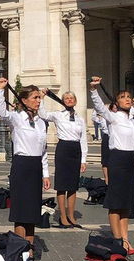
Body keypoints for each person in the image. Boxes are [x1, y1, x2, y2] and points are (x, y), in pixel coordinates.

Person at [0, 78, 51, 259]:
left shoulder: (41, 122)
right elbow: (1, 112)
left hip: (35, 167)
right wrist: (0, 90)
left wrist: (45, 173)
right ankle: (20, 249)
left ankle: (30, 249)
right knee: (21, 211)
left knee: (32, 212)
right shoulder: (17, 118)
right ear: (24, 100)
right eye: (35, 97)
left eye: (39, 98)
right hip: (21, 166)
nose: (39, 100)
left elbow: (43, 150)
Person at [89, 76, 134, 255]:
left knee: (127, 203)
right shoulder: (114, 117)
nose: (127, 99)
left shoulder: (132, 120)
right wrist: (94, 89)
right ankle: (117, 240)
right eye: (122, 97)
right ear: (116, 103)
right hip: (117, 159)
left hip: (130, 161)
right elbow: (99, 107)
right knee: (116, 202)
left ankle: (126, 240)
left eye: (128, 96)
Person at [38, 91, 88, 228]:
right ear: (63, 101)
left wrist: (84, 159)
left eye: (72, 98)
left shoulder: (80, 119)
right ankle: (62, 215)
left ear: (75, 101)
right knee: (62, 185)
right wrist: (42, 98)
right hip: (64, 149)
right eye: (66, 98)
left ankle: (71, 215)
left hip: (76, 149)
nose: (69, 100)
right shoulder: (58, 115)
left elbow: (83, 139)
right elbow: (43, 114)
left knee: (73, 186)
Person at [92, 106, 112, 183]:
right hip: (106, 137)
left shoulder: (115, 118)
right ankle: (106, 179)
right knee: (105, 160)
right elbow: (94, 118)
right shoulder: (102, 118)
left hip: (114, 137)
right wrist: (96, 110)